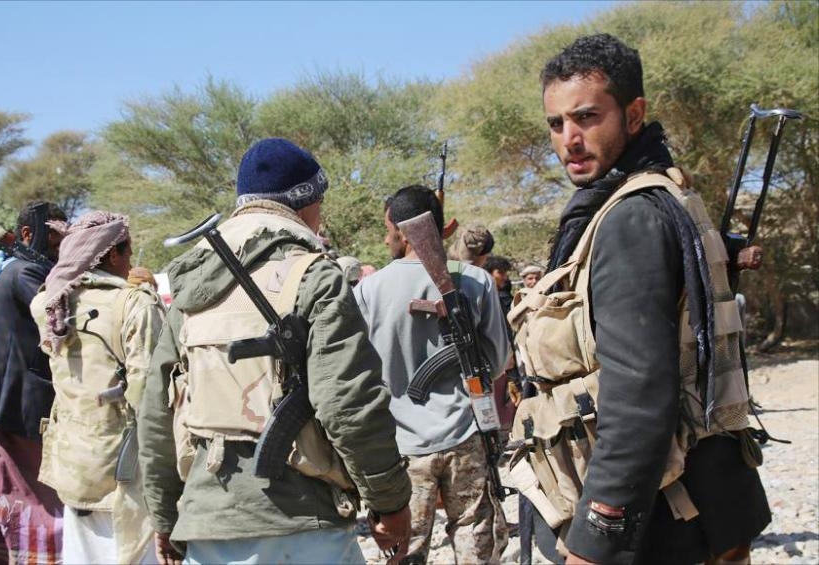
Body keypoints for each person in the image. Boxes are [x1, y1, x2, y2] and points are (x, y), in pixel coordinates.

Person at [513, 33, 769, 564]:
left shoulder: (631, 218)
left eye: (586, 117)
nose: (569, 139)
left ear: (633, 115)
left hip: (663, 521)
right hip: (698, 506)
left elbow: (638, 399)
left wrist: (594, 540)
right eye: (556, 124)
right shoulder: (660, 193)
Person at [138, 138, 412, 565]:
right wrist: (390, 502)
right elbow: (348, 404)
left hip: (209, 528)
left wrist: (165, 516)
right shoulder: (316, 277)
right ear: (306, 203)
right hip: (306, 529)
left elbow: (156, 412)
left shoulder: (191, 292)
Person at [354, 185, 510, 565]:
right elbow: (498, 361)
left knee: (404, 552)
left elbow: (358, 374)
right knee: (475, 545)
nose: (386, 238)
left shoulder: (368, 290)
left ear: (404, 230)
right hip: (466, 435)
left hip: (402, 446)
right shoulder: (475, 280)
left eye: (388, 229)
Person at [31, 211, 166, 564]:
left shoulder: (49, 303)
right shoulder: (134, 304)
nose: (131, 257)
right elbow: (151, 398)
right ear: (111, 254)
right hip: (124, 470)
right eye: (127, 249)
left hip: (73, 463)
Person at [0, 201, 67, 564]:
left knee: (9, 492)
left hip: (5, 404)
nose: (61, 248)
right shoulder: (27, 272)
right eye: (55, 240)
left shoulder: (11, 269)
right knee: (35, 499)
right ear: (28, 234)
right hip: (19, 405)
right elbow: (59, 323)